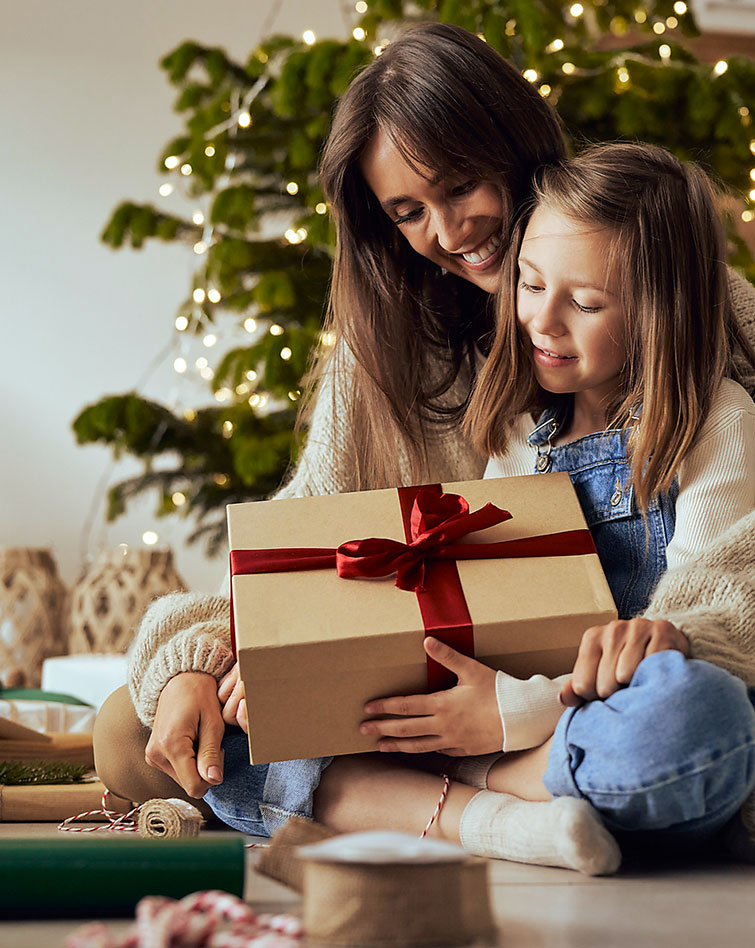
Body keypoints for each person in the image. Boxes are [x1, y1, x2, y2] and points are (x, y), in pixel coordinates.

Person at [95, 23, 755, 875]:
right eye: (406, 212)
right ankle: (504, 811)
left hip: (603, 695)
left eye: (460, 187)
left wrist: (565, 691)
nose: (446, 232)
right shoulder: (417, 371)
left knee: (688, 718)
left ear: (516, 153)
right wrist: (204, 662)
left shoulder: (698, 322)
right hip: (449, 695)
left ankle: (464, 794)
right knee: (140, 726)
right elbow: (300, 554)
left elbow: (724, 574)